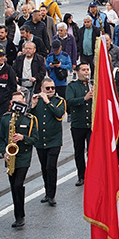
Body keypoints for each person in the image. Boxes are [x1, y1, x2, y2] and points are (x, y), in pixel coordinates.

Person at [0, 92, 38, 228]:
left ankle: (20, 215)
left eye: (19, 102)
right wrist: (4, 151)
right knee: (13, 186)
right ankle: (17, 214)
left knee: (18, 184)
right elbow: (0, 138)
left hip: (23, 157)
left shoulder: (30, 119)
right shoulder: (5, 119)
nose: (16, 105)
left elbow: (35, 139)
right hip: (10, 156)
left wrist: (23, 138)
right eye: (14, 102)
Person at [31, 77, 66, 207]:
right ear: (42, 89)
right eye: (48, 88)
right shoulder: (37, 101)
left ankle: (52, 195)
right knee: (44, 167)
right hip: (41, 140)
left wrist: (47, 102)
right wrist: (33, 106)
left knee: (51, 167)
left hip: (54, 140)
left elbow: (59, 114)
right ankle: (47, 191)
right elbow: (30, 118)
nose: (51, 90)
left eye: (52, 88)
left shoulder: (59, 101)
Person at [67, 62, 93, 186]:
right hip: (78, 124)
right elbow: (69, 101)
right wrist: (84, 98)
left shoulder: (93, 84)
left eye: (87, 69)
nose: (86, 72)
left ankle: (92, 174)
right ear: (77, 72)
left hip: (92, 124)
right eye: (83, 70)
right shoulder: (72, 86)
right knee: (79, 151)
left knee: (92, 151)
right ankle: (81, 175)